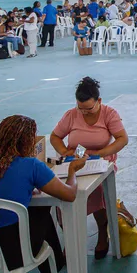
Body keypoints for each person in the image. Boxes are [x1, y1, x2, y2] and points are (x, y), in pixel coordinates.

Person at [0, 115, 81, 273]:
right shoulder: (31, 165)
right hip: (13, 253)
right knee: (41, 210)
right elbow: (69, 195)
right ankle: (52, 272)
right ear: (28, 142)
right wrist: (72, 172)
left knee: (27, 213)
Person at [49, 77, 128, 258]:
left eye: (89, 109)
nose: (84, 112)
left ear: (99, 101)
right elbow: (55, 137)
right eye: (81, 108)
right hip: (75, 162)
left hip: (100, 162)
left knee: (97, 191)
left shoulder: (109, 114)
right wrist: (64, 152)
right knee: (61, 191)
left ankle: (102, 231)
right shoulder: (71, 115)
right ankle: (70, 237)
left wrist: (101, 153)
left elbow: (122, 139)